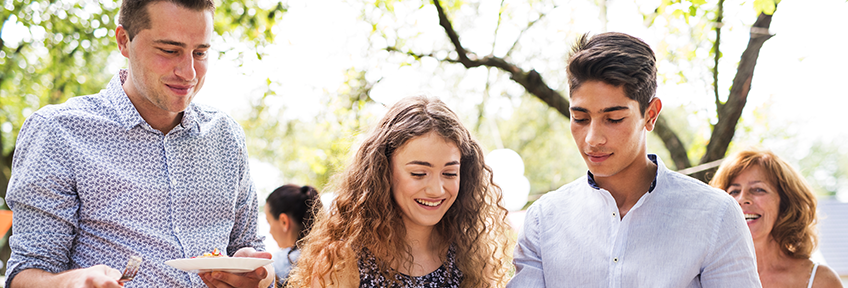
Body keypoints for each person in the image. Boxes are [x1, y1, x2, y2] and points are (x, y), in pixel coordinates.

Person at [3, 0, 274, 287]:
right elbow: (25, 273)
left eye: (200, 52)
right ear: (124, 41)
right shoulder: (59, 131)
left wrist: (261, 276)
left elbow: (253, 254)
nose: (189, 73)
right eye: (170, 51)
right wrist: (70, 283)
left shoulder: (226, 136)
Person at [507, 32, 762, 287]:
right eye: (581, 119)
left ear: (650, 115)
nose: (592, 139)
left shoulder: (715, 215)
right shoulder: (544, 219)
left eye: (614, 119)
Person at [286, 96, 512, 288]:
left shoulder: (469, 255)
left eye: (450, 174)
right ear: (383, 171)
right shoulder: (343, 260)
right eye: (418, 174)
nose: (436, 189)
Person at [710, 148, 843, 288]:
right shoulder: (707, 276)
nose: (742, 199)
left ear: (785, 204)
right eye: (734, 191)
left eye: (758, 189)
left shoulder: (820, 281)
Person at [264, 184, 322, 284]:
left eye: (269, 222)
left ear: (284, 221)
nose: (269, 231)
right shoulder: (330, 254)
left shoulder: (277, 264)